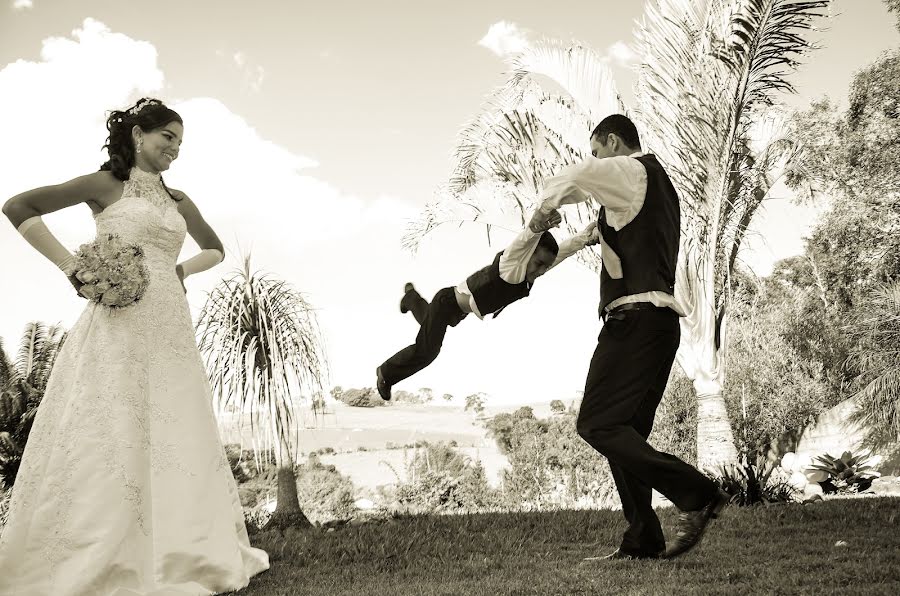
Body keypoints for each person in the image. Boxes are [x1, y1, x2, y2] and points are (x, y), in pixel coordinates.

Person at [0, 98, 269, 595]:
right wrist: (72, 268)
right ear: (138, 135)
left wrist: (182, 269)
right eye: (168, 137)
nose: (175, 149)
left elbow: (215, 248)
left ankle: (182, 549)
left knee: (174, 424)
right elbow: (19, 206)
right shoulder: (106, 185)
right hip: (117, 321)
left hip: (169, 323)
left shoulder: (180, 199)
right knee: (110, 423)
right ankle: (100, 549)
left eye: (181, 143)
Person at [531, 114, 729, 561]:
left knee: (597, 424)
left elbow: (576, 176)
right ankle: (642, 539)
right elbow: (586, 239)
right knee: (626, 432)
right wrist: (530, 268)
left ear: (614, 142)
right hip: (656, 326)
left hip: (634, 322)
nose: (595, 161)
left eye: (598, 151)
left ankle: (697, 493)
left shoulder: (631, 170)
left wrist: (543, 212)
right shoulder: (647, 191)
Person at [376, 213, 599, 400]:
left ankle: (411, 297)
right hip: (447, 302)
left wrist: (583, 238)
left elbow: (561, 252)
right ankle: (386, 373)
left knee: (428, 320)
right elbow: (524, 240)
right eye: (539, 264)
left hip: (455, 309)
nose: (541, 271)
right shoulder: (510, 264)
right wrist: (538, 223)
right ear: (527, 255)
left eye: (545, 267)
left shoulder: (529, 274)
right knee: (427, 351)